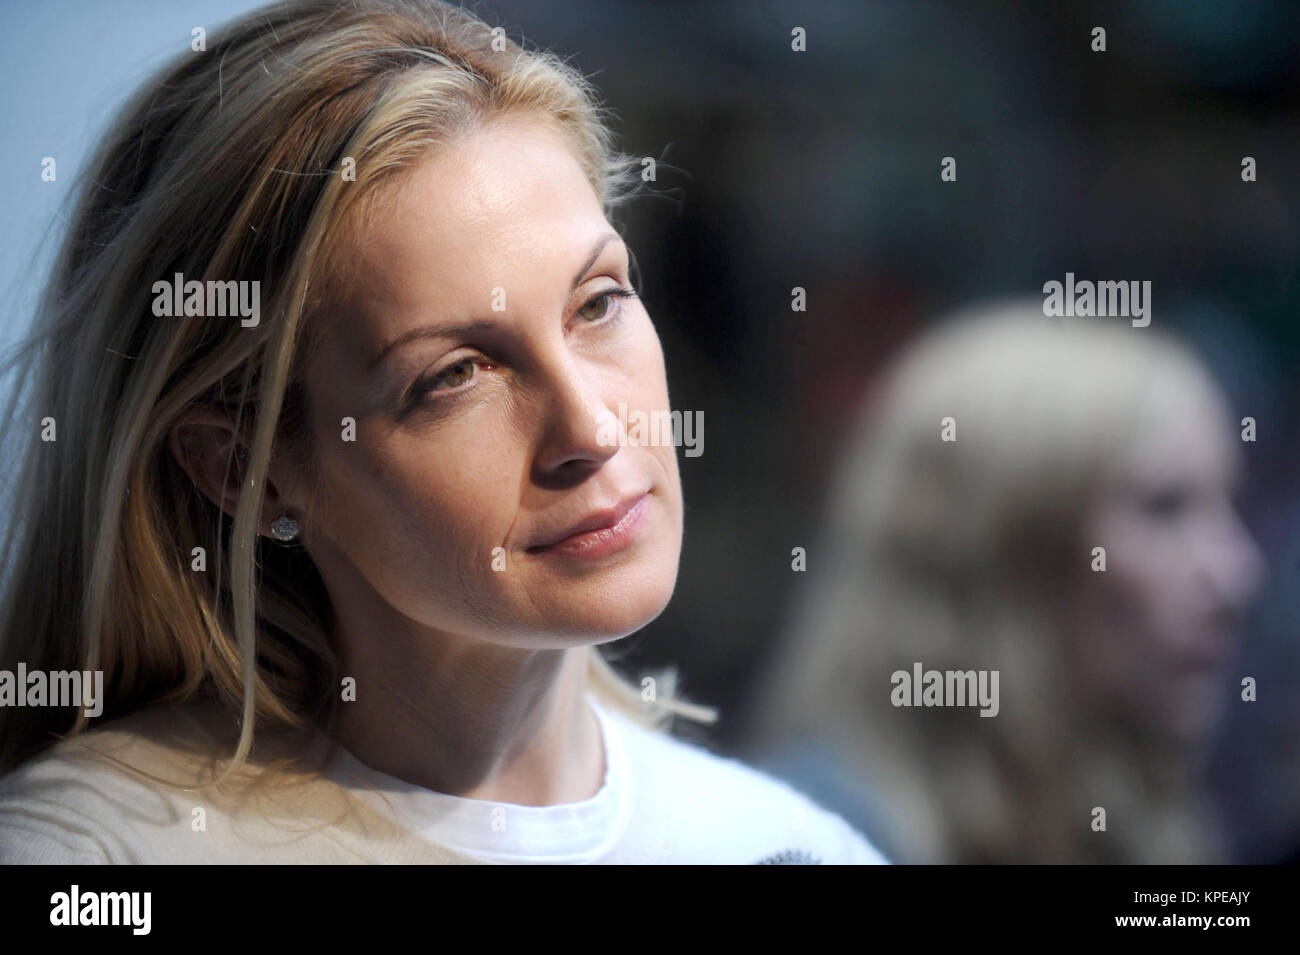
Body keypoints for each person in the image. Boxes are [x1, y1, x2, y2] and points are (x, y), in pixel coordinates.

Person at [0, 0, 886, 865]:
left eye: (599, 301)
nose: (591, 427)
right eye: (454, 375)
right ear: (247, 469)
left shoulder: (784, 842)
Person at [749, 301, 1264, 863]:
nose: (1236, 573)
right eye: (1165, 509)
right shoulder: (823, 839)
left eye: (1227, 505)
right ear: (1007, 553)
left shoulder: (1141, 828)